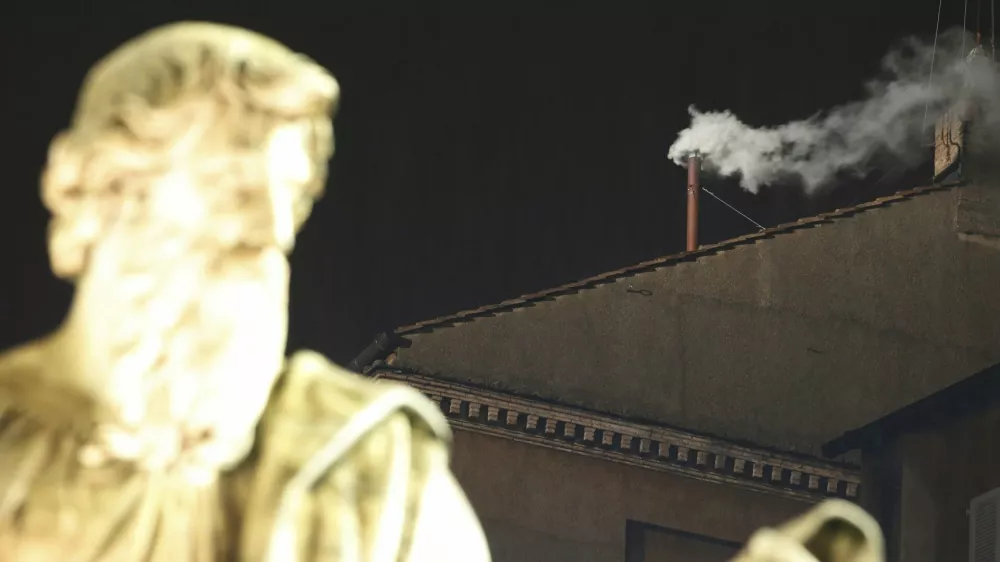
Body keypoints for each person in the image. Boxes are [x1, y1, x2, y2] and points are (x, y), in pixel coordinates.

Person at [0, 21, 490, 562]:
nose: (273, 231)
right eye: (231, 187)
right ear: (107, 194)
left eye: (291, 196)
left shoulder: (372, 480)